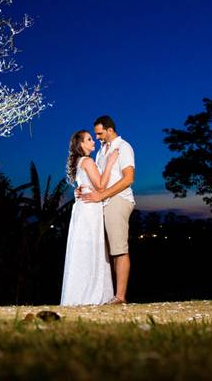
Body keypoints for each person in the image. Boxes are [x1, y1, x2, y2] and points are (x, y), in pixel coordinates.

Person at [80, 115, 135, 305]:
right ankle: (113, 295)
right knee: (111, 251)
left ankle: (120, 297)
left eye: (99, 133)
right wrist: (84, 189)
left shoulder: (123, 147)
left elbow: (128, 179)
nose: (97, 137)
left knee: (120, 249)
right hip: (104, 203)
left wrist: (102, 196)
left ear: (110, 130)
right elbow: (100, 181)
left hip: (118, 201)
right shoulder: (102, 152)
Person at [60, 130, 118, 305]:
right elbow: (100, 186)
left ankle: (81, 294)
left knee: (84, 248)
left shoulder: (79, 162)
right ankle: (91, 295)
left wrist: (78, 190)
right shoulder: (87, 161)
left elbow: (84, 184)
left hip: (82, 209)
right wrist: (110, 163)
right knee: (92, 248)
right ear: (81, 145)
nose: (93, 141)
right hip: (90, 209)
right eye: (89, 139)